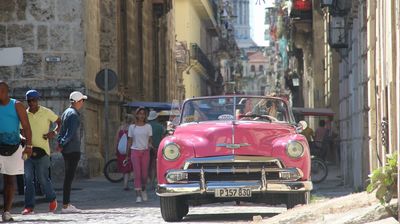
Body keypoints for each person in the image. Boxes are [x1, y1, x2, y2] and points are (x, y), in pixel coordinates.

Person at [22, 90, 60, 215]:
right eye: (29, 100)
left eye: (34, 100)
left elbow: (59, 122)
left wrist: (53, 133)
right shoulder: (24, 114)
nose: (32, 102)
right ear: (27, 101)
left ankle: (52, 198)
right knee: (28, 180)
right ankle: (29, 207)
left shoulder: (46, 112)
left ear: (38, 100)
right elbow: (19, 130)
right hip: (27, 151)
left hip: (43, 151)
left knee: (42, 178)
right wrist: (23, 139)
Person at [0, 81, 32, 221]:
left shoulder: (16, 105)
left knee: (9, 180)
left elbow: (26, 126)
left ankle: (6, 211)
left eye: (1, 91)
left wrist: (29, 146)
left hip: (13, 147)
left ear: (6, 92)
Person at [57, 91, 87, 213]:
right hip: (72, 149)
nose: (83, 103)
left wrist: (60, 142)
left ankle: (66, 203)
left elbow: (62, 130)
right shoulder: (74, 114)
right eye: (82, 101)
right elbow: (70, 132)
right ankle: (65, 204)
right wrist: (63, 143)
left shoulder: (65, 112)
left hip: (67, 149)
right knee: (69, 178)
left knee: (68, 178)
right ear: (78, 102)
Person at [126, 107, 153, 203]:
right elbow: (129, 141)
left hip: (145, 151)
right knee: (137, 174)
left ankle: (144, 189)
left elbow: (150, 140)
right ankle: (138, 194)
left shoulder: (148, 127)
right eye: (139, 113)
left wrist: (150, 145)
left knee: (144, 175)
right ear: (136, 115)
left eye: (143, 114)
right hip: (134, 151)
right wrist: (127, 154)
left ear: (145, 115)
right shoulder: (132, 127)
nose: (141, 115)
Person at [115, 114, 134, 190]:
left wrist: (115, 149)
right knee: (127, 168)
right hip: (128, 150)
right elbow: (132, 140)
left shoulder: (120, 128)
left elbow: (116, 139)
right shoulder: (131, 129)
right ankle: (125, 184)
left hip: (120, 150)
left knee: (123, 166)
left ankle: (125, 183)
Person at [147, 110, 164, 188]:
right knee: (154, 165)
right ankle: (153, 181)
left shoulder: (146, 126)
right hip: (157, 148)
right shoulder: (160, 127)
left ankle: (149, 180)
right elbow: (163, 138)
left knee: (148, 165)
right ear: (156, 117)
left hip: (147, 147)